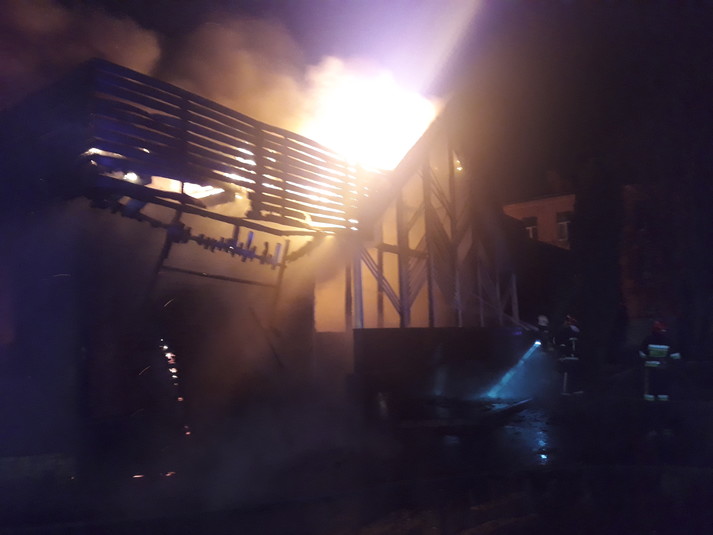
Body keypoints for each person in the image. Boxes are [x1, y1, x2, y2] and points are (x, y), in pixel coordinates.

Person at [639, 320, 681, 401]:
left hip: (650, 368)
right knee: (663, 386)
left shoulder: (648, 339)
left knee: (650, 387)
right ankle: (662, 402)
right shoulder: (669, 341)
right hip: (663, 368)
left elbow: (642, 354)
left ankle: (649, 403)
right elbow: (676, 357)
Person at [554, 315, 581, 394]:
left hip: (571, 356)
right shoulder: (565, 330)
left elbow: (558, 341)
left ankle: (571, 390)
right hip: (569, 356)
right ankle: (567, 390)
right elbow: (558, 341)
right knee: (568, 373)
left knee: (571, 373)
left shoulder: (568, 330)